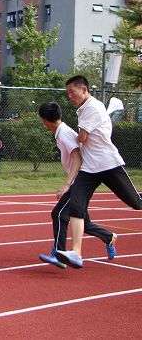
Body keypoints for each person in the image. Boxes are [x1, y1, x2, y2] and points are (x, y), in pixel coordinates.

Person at [56, 76, 142, 268]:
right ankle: (76, 253)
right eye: (67, 92)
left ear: (84, 89)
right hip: (89, 168)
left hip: (108, 164)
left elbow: (82, 138)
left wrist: (72, 136)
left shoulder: (93, 108)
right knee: (77, 207)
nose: (69, 96)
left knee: (136, 203)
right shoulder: (84, 109)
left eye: (72, 92)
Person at [36, 102, 115, 269]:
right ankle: (108, 237)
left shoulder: (63, 133)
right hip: (81, 180)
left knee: (58, 214)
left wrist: (67, 184)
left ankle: (59, 253)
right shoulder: (62, 131)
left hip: (80, 181)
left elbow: (77, 158)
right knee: (82, 221)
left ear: (44, 120)